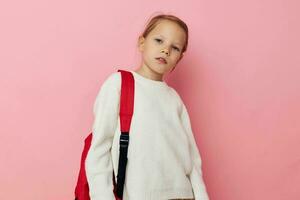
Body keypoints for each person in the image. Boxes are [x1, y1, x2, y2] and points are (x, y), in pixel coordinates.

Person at [85, 13, 210, 200]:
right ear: (142, 43)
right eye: (159, 40)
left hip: (182, 195)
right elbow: (99, 149)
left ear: (179, 58)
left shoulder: (174, 99)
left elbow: (191, 159)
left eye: (174, 47)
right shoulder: (119, 84)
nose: (166, 50)